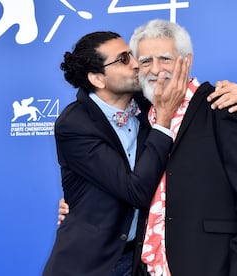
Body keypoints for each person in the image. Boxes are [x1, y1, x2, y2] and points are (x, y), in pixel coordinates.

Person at [59, 19, 237, 276]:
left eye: (165, 59)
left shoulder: (222, 105)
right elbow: (129, 183)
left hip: (207, 263)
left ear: (187, 60)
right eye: (145, 60)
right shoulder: (145, 112)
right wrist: (80, 204)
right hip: (137, 265)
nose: (154, 69)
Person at [43, 31, 190, 276]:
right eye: (123, 60)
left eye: (132, 55)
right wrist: (163, 121)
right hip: (90, 264)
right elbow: (135, 191)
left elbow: (198, 106)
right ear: (98, 79)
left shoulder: (149, 105)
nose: (136, 64)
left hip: (139, 261)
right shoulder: (74, 124)